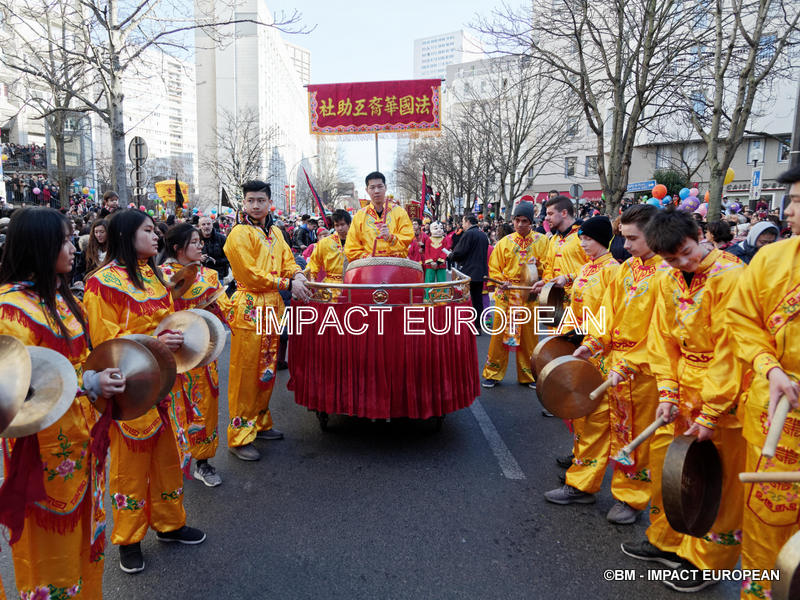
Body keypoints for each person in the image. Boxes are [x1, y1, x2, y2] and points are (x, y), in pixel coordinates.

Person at [617, 208, 745, 593]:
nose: (683, 263)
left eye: (687, 252)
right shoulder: (666, 278)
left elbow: (734, 349)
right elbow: (662, 338)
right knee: (670, 467)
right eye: (672, 259)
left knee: (715, 478)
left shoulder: (733, 276)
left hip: (726, 391)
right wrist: (668, 390)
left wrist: (712, 410)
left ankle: (707, 562)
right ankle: (667, 542)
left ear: (700, 235)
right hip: (682, 384)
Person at [0, 207, 121, 599]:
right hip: (43, 445)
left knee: (86, 533)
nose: (73, 248)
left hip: (81, 435)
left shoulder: (62, 298)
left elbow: (81, 358)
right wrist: (89, 382)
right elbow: (22, 388)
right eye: (65, 240)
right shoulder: (10, 311)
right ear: (39, 245)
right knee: (48, 543)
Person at [84, 209, 206, 574]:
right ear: (125, 234)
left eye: (156, 231)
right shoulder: (101, 283)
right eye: (149, 231)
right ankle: (129, 537)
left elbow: (165, 323)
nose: (157, 237)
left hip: (164, 384)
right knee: (129, 468)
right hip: (129, 388)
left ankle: (170, 523)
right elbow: (101, 341)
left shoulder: (156, 279)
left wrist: (177, 336)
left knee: (167, 458)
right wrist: (156, 342)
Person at [723, 165, 800, 599]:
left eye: (798, 202)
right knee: (766, 526)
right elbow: (742, 319)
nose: (788, 211)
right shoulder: (771, 259)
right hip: (773, 414)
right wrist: (769, 366)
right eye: (790, 200)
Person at [573, 204, 667, 525]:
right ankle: (582, 483)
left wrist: (631, 361)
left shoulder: (668, 276)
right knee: (597, 422)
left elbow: (662, 331)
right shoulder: (625, 270)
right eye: (622, 238)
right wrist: (592, 344)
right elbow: (607, 315)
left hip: (644, 371)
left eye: (631, 238)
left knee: (634, 434)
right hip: (610, 361)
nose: (624, 246)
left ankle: (630, 496)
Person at [223, 181, 311, 462]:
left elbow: (288, 260)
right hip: (250, 304)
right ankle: (239, 437)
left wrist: (297, 274)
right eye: (251, 200)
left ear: (269, 202)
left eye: (261, 200)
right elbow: (249, 274)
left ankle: (259, 423)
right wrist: (286, 281)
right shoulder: (238, 234)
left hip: (273, 303)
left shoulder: (274, 232)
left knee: (267, 367)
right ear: (244, 203)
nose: (256, 205)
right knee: (245, 373)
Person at [543, 216, 619, 505]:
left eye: (587, 239)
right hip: (581, 348)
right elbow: (575, 307)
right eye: (581, 238)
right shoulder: (587, 268)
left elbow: (611, 316)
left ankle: (582, 484)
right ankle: (579, 458)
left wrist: (589, 337)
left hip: (601, 353)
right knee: (580, 412)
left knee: (595, 416)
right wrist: (566, 334)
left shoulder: (613, 272)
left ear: (601, 239)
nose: (583, 243)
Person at [160, 223, 232, 488]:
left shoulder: (209, 277)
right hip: (171, 357)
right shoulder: (158, 278)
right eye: (194, 242)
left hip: (203, 355)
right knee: (173, 411)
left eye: (200, 241)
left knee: (205, 408)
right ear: (177, 248)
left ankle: (202, 462)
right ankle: (173, 462)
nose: (200, 246)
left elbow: (225, 309)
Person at [481, 201, 549, 388]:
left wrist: (539, 267)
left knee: (528, 338)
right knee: (499, 336)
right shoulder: (504, 243)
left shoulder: (542, 241)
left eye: (524, 221)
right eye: (517, 220)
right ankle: (493, 372)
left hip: (529, 296)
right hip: (507, 295)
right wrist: (501, 280)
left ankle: (528, 374)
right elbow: (494, 268)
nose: (520, 224)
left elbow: (549, 267)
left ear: (531, 222)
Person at [345, 172, 413, 260]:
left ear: (385, 187)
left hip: (395, 266)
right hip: (369, 268)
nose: (376, 191)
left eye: (380, 186)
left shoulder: (399, 212)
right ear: (367, 190)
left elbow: (407, 237)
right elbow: (351, 248)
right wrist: (367, 257)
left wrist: (390, 237)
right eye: (372, 187)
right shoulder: (360, 216)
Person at [533, 196, 587, 300]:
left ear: (564, 213)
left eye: (550, 214)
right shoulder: (554, 239)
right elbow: (549, 267)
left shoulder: (584, 236)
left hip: (580, 300)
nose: (546, 218)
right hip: (558, 302)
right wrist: (545, 282)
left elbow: (595, 267)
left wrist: (568, 278)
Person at [449, 213, 489, 333]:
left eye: (463, 221)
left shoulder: (469, 234)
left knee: (464, 298)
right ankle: (478, 326)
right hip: (481, 272)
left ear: (468, 222)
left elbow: (460, 252)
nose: (462, 224)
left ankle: (466, 323)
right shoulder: (483, 235)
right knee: (478, 300)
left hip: (469, 272)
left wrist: (451, 255)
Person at [306, 209, 349, 284]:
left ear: (349, 224)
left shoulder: (356, 242)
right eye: (337, 225)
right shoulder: (325, 242)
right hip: (330, 285)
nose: (340, 228)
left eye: (342, 224)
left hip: (352, 284)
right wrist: (312, 278)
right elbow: (313, 263)